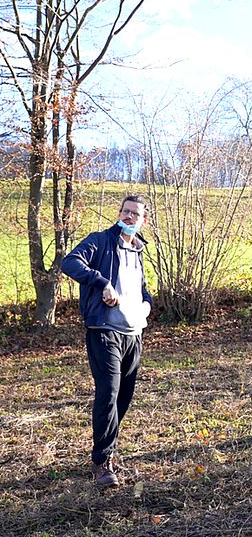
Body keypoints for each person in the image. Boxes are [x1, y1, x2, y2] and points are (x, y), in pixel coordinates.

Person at [61, 195, 152, 487]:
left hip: (133, 333)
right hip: (104, 331)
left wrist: (147, 305)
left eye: (134, 214)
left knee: (123, 396)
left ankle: (107, 448)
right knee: (108, 393)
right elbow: (70, 262)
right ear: (119, 214)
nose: (128, 217)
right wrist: (101, 283)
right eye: (125, 212)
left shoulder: (138, 250)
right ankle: (102, 462)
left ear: (143, 221)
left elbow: (142, 289)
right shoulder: (100, 241)